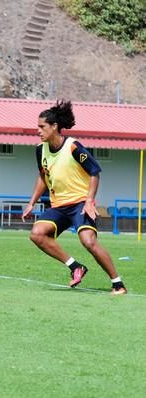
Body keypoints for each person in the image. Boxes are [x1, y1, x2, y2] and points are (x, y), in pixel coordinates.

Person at [22, 100, 127, 295]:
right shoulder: (40, 149)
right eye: (38, 127)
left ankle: (118, 284)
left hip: (79, 203)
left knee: (88, 241)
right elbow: (43, 176)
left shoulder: (73, 147)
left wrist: (89, 201)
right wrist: (31, 203)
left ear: (54, 127)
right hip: (59, 206)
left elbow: (95, 172)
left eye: (42, 127)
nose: (38, 131)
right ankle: (75, 267)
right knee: (37, 233)